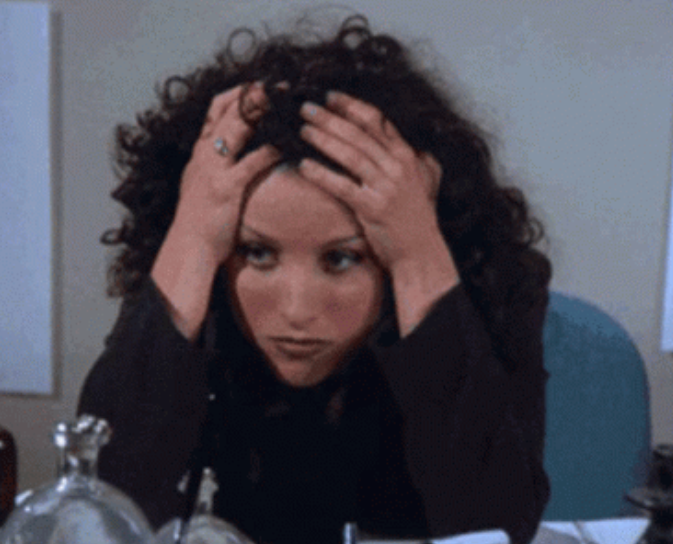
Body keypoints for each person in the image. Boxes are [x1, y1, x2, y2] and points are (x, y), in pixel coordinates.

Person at [78, 14, 552, 544]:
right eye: (258, 253)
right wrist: (189, 238)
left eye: (341, 259)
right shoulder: (199, 282)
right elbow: (99, 513)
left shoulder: (491, 291)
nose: (297, 310)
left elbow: (496, 528)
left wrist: (420, 254)